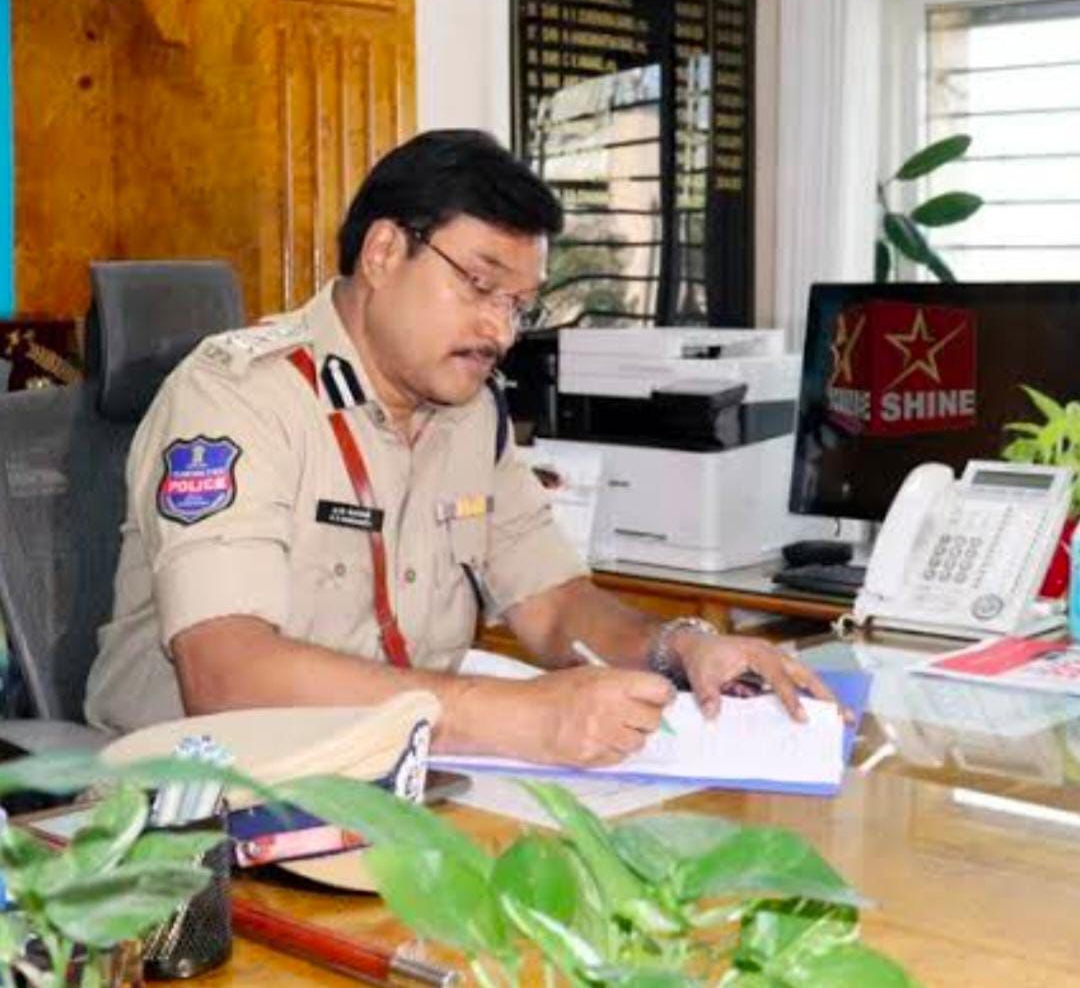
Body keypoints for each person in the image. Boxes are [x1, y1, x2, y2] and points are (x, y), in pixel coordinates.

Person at [85, 129, 837, 766]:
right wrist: (518, 716)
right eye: (479, 285)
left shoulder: (469, 411)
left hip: (396, 782)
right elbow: (226, 676)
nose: (500, 331)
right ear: (384, 252)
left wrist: (680, 647)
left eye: (518, 305)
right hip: (201, 808)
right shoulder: (237, 397)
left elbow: (554, 605)